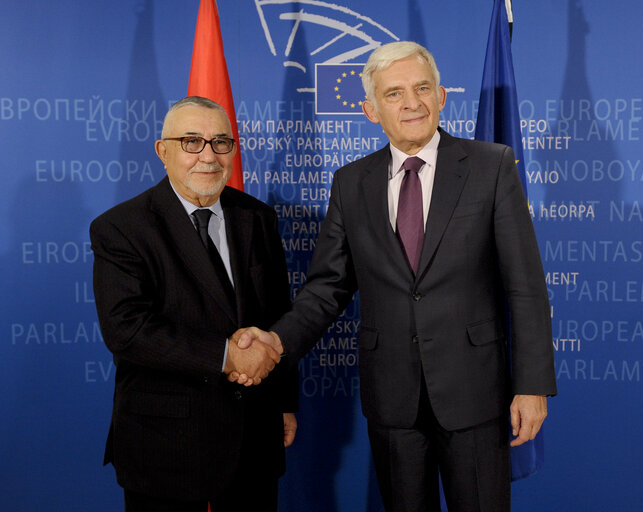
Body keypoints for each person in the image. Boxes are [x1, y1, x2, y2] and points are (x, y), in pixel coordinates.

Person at [234, 42, 557, 511]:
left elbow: (525, 286)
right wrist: (277, 342)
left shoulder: (491, 167)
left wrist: (531, 385)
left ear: (442, 96)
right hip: (393, 399)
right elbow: (327, 287)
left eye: (422, 88)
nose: (412, 103)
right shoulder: (351, 182)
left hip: (473, 394)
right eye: (395, 93)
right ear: (370, 109)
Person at [90, 96, 298, 512]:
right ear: (162, 150)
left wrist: (284, 404)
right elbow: (127, 330)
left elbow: (279, 313)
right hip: (168, 445)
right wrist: (228, 357)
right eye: (191, 141)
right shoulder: (121, 227)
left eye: (221, 142)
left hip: (253, 437)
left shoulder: (257, 217)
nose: (208, 155)